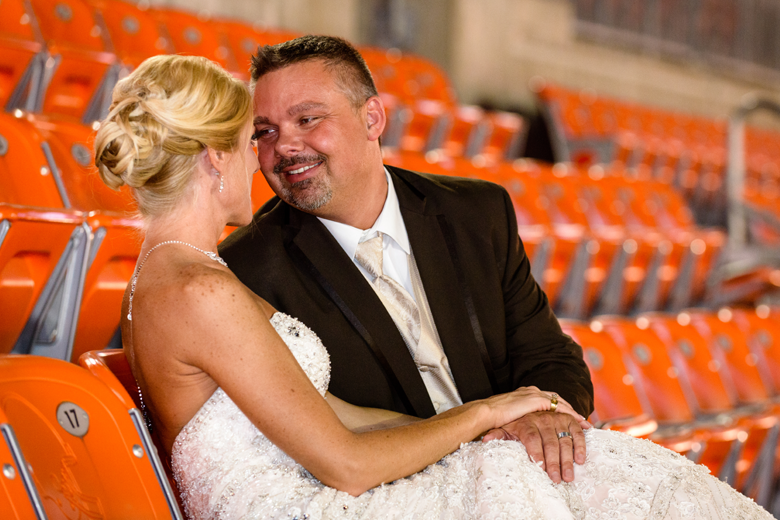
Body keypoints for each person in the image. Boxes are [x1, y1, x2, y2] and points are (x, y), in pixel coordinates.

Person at [94, 53, 773, 520]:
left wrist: (497, 422)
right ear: (215, 160)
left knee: (590, 471)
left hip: (337, 479)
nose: (267, 158)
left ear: (371, 119)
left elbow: (334, 413)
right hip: (312, 502)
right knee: (552, 485)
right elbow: (346, 460)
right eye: (256, 137)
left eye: (301, 123)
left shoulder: (190, 277)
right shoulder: (209, 285)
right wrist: (481, 418)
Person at [218, 34, 592, 487]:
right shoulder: (247, 269)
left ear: (372, 118)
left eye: (307, 119)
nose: (284, 147)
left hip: (524, 467)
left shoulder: (478, 212)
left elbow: (550, 355)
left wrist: (546, 417)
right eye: (266, 132)